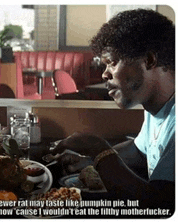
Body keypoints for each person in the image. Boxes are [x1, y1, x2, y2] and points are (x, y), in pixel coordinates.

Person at [51, 9, 175, 213]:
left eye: (112, 62)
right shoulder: (156, 108)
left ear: (149, 61)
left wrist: (99, 148)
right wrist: (90, 161)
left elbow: (159, 207)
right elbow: (139, 151)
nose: (104, 74)